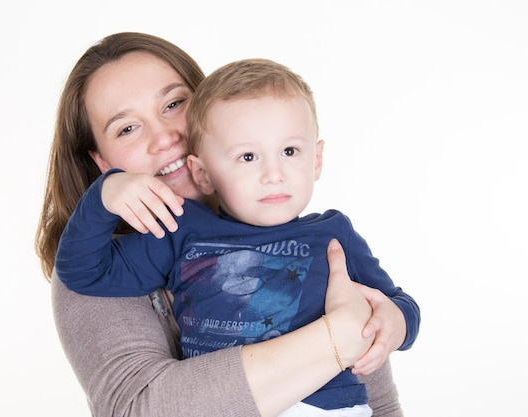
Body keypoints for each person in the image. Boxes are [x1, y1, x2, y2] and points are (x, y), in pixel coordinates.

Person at [36, 32, 416, 417]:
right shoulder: (127, 257)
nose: (166, 137)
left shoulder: (322, 236)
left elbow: (379, 391)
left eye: (174, 103)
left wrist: (391, 322)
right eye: (127, 128)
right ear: (102, 162)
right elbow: (141, 409)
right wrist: (338, 336)